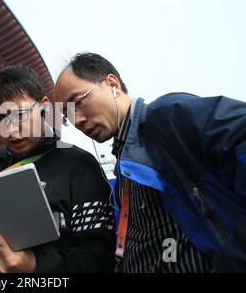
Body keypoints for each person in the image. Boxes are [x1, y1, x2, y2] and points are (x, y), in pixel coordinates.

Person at [54, 52, 246, 272]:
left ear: (112, 84)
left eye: (78, 102)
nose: (77, 120)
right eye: (67, 116)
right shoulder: (124, 167)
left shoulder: (166, 117)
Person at [0, 65, 116, 273]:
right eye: (0, 119)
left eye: (20, 115)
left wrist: (34, 265)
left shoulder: (80, 167)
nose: (11, 129)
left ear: (44, 108)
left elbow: (101, 257)